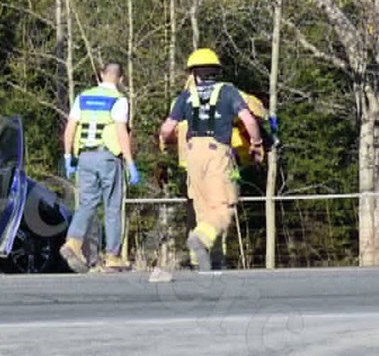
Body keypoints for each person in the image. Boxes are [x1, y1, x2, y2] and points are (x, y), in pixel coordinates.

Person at [157, 48, 264, 271]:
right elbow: (250, 121)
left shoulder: (186, 96)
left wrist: (166, 144)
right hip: (218, 153)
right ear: (217, 71)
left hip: (193, 154)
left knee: (202, 209)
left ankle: (206, 261)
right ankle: (202, 241)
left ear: (194, 74)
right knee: (224, 207)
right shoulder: (228, 91)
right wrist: (257, 144)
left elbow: (167, 129)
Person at [60, 62, 140, 274]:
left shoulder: (83, 97)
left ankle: (73, 242)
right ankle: (113, 256)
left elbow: (70, 128)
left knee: (86, 203)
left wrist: (68, 156)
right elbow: (122, 133)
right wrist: (130, 162)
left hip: (84, 156)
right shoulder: (119, 100)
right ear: (121, 79)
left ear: (101, 76)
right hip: (107, 157)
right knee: (112, 206)